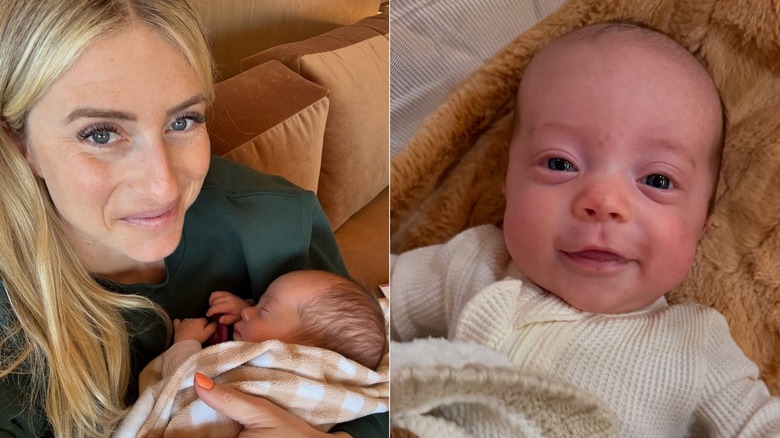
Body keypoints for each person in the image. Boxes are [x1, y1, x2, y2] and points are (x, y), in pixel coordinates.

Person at [0, 1, 387, 437]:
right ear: (21, 144)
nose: (164, 188)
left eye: (183, 121)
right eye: (101, 133)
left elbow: (367, 385)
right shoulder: (10, 332)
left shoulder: (279, 222)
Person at [390, 21, 780, 436]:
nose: (605, 203)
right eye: (560, 164)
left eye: (657, 180)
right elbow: (373, 303)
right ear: (507, 179)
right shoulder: (474, 262)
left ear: (702, 223)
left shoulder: (696, 345)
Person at [115, 270, 388, 437]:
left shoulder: (281, 375)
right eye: (257, 301)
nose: (247, 311)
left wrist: (184, 344)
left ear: (301, 353)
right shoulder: (300, 358)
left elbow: (189, 382)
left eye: (263, 309)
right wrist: (246, 308)